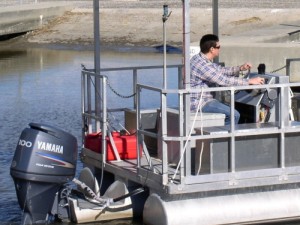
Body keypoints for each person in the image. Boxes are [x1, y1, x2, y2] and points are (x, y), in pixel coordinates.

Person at [190, 34, 265, 125]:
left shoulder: (199, 59)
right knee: (234, 115)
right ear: (212, 49)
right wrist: (249, 81)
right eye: (218, 47)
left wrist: (240, 68)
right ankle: (224, 138)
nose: (220, 49)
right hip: (200, 103)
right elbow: (224, 80)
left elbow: (220, 70)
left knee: (230, 109)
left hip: (203, 100)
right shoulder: (202, 65)